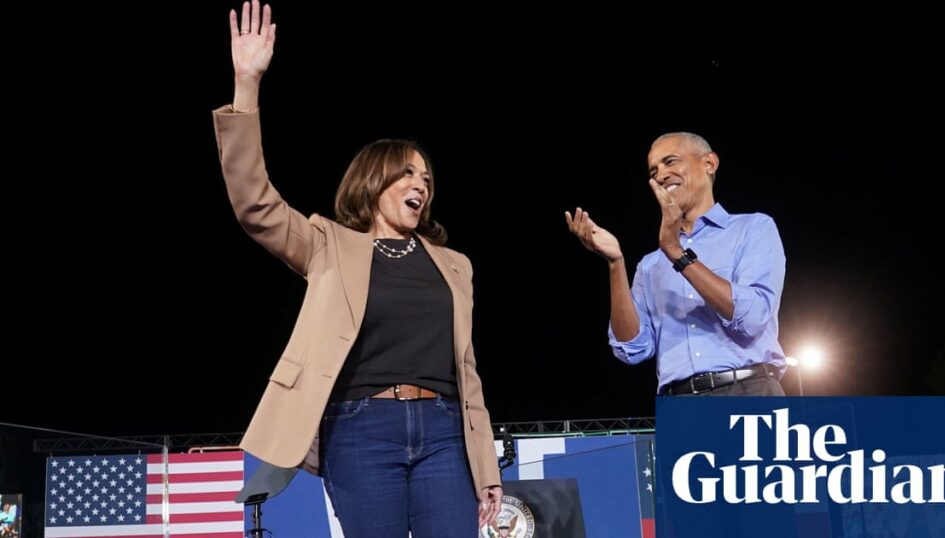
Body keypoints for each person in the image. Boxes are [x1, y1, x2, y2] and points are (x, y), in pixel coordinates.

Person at [212, 2, 501, 535]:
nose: (421, 184)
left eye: (428, 178)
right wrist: (246, 84)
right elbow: (254, 202)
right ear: (373, 180)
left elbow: (469, 373)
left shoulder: (455, 266)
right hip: (360, 430)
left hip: (444, 433)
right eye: (407, 173)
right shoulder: (328, 243)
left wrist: (486, 467)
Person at [566, 132, 787, 396]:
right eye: (654, 170)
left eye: (670, 162)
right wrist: (616, 263)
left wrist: (676, 252)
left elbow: (753, 318)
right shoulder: (649, 266)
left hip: (749, 392)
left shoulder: (753, 228)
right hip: (679, 405)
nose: (660, 175)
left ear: (709, 163)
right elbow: (631, 349)